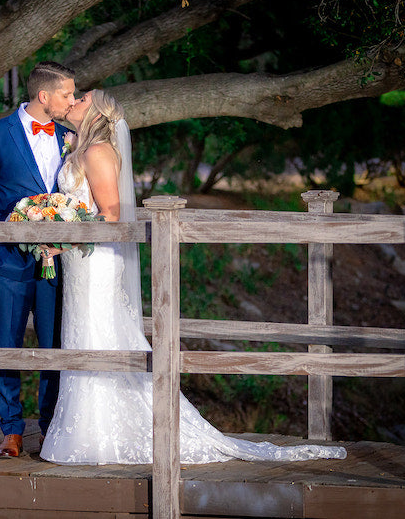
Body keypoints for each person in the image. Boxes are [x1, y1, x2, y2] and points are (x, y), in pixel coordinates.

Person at [39, 90, 347, 464]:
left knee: (98, 333)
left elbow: (113, 215)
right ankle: (86, 428)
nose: (75, 99)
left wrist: (64, 235)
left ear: (98, 112)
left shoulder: (98, 151)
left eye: (83, 97)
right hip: (79, 261)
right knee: (82, 335)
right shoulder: (78, 149)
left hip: (95, 260)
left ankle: (106, 431)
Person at [0, 61, 76, 458]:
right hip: (8, 263)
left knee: (53, 347)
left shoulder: (70, 137)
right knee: (7, 344)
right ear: (44, 96)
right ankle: (11, 429)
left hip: (56, 263)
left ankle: (48, 428)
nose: (72, 101)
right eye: (67, 94)